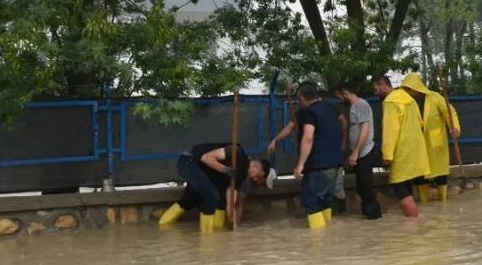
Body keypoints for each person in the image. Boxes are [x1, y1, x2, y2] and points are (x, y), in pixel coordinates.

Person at [268, 82, 345, 228]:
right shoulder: (330, 106)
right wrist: (276, 140)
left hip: (317, 165)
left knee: (313, 204)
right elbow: (343, 122)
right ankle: (329, 236)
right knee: (325, 202)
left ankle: (318, 244)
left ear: (302, 98)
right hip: (335, 164)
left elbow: (308, 137)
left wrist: (300, 164)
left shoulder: (309, 112)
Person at [158, 143, 275, 232]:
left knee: (195, 200)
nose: (256, 181)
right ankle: (208, 239)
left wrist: (235, 227)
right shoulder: (237, 152)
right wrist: (226, 170)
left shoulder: (241, 176)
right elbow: (206, 158)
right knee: (212, 195)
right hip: (190, 161)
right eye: (258, 177)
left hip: (204, 173)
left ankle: (161, 227)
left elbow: (231, 200)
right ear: (256, 167)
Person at [374, 74, 428, 217]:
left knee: (400, 188)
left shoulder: (390, 101)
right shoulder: (410, 100)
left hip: (401, 151)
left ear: (382, 85)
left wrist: (387, 155)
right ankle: (414, 227)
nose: (375, 93)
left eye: (376, 88)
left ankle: (413, 226)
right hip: (415, 151)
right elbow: (420, 122)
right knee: (407, 188)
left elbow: (390, 130)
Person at [406, 74, 461, 202]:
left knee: (440, 174)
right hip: (417, 142)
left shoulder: (435, 98)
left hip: (435, 143)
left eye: (409, 88)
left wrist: (455, 127)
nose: (408, 91)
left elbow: (449, 112)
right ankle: (424, 202)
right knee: (420, 174)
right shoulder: (407, 102)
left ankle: (443, 201)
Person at [334, 82, 381, 219]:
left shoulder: (361, 104)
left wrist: (355, 152)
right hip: (360, 153)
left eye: (339, 96)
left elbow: (365, 130)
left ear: (344, 92)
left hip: (364, 152)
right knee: (362, 187)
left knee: (366, 188)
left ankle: (374, 218)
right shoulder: (355, 106)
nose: (339, 100)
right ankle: (370, 219)